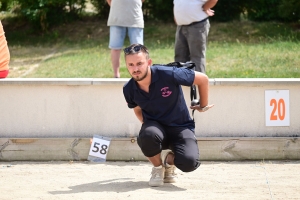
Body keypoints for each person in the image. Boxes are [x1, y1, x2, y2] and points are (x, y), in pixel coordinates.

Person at [122, 43, 214, 187]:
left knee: (189, 163)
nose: (135, 69)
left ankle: (169, 161)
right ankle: (158, 168)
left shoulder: (168, 73)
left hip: (181, 126)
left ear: (149, 62)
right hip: (156, 128)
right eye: (131, 65)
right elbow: (137, 109)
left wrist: (203, 105)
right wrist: (148, 128)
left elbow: (203, 79)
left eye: (139, 63)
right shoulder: (128, 89)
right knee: (147, 135)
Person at [173, 0, 218, 74]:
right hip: (181, 26)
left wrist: (205, 8)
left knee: (196, 57)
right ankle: (180, 83)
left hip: (197, 25)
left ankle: (199, 84)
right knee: (180, 56)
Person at [106, 0, 144, 78]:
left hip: (135, 17)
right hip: (116, 17)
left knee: (138, 49)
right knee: (115, 48)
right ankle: (116, 75)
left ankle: (139, 75)